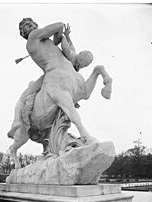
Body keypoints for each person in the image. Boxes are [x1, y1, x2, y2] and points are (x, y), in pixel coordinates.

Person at [8, 18, 112, 167]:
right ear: (25, 33)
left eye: (31, 24)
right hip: (51, 73)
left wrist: (62, 37)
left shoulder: (45, 41)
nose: (30, 27)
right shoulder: (33, 37)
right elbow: (59, 25)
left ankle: (106, 78)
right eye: (27, 27)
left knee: (88, 86)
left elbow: (86, 94)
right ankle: (17, 122)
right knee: (24, 96)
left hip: (66, 70)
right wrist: (59, 34)